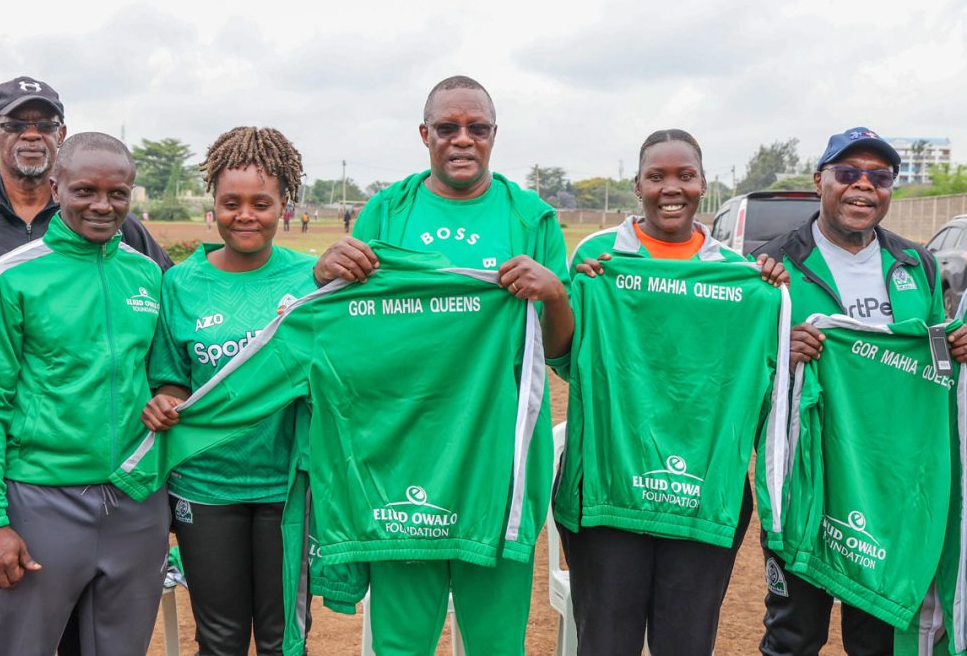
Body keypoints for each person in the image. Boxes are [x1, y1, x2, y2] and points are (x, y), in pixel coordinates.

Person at [311, 75, 573, 655]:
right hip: (404, 454)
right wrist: (325, 272)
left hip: (498, 460)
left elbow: (562, 357)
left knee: (496, 643)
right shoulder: (388, 209)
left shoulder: (530, 217)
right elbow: (349, 323)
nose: (462, 140)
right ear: (425, 134)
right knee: (402, 643)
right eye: (448, 128)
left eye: (476, 129)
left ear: (494, 136)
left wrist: (554, 294)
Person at [0, 75, 171, 656]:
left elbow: (168, 372)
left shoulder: (147, 273)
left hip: (135, 502)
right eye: (85, 192)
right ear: (58, 187)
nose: (102, 205)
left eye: (117, 194)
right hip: (41, 501)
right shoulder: (10, 277)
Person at [557, 129, 788, 655]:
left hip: (702, 491)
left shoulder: (737, 275)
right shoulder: (598, 257)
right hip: (607, 491)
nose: (671, 188)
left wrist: (770, 298)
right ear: (637, 184)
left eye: (684, 175)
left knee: (685, 642)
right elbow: (570, 362)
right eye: (656, 176)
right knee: (606, 640)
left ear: (703, 183)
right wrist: (582, 296)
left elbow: (766, 375)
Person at [751, 127, 967, 655]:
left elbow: (936, 360)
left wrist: (956, 346)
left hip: (885, 486)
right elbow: (739, 368)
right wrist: (779, 352)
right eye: (848, 173)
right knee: (793, 634)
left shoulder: (918, 265)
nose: (863, 187)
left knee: (876, 638)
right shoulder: (773, 265)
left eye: (880, 177)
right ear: (819, 180)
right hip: (805, 480)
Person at [140, 126, 316, 656]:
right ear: (212, 205)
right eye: (230, 202)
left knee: (283, 636)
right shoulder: (181, 283)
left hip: (286, 484)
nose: (245, 215)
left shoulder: (312, 279)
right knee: (219, 637)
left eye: (261, 203)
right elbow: (173, 376)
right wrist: (165, 400)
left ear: (284, 205)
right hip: (205, 482)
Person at [0, 76, 172, 273]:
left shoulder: (105, 216)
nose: (31, 135)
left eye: (46, 125)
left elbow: (170, 287)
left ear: (61, 135)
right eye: (15, 125)